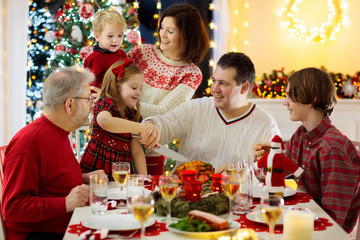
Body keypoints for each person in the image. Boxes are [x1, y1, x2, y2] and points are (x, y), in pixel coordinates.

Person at [1, 67, 106, 240]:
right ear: (70, 104)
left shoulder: (60, 132)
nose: (92, 105)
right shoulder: (29, 142)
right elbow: (12, 207)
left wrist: (84, 177)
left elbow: (52, 181)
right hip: (39, 235)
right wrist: (65, 203)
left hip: (69, 226)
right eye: (88, 99)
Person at [255, 67, 360, 233]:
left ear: (311, 99)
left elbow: (333, 221)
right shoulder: (302, 134)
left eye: (290, 96)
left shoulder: (332, 148)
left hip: (322, 232)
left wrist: (291, 217)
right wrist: (263, 163)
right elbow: (280, 168)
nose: (285, 102)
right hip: (304, 216)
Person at [143, 52, 280, 172]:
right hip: (187, 196)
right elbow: (162, 125)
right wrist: (152, 126)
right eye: (214, 81)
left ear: (244, 88)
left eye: (223, 83)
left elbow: (274, 173)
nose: (214, 89)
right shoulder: (197, 108)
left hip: (234, 197)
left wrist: (247, 172)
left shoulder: (266, 125)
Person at [127, 3, 210, 174]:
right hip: (116, 147)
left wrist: (121, 105)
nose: (162, 35)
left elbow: (163, 111)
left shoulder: (191, 73)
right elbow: (113, 84)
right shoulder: (141, 53)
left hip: (149, 154)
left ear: (186, 36)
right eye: (162, 27)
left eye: (170, 31)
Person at [80, 59, 159, 180]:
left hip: (122, 171)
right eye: (134, 88)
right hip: (96, 168)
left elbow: (137, 151)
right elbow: (106, 122)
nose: (138, 93)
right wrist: (142, 127)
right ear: (117, 86)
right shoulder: (105, 103)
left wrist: (143, 177)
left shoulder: (133, 115)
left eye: (140, 89)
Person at [84, 9, 127, 90]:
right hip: (104, 99)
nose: (115, 40)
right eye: (110, 36)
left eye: (120, 36)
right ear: (97, 36)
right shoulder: (95, 58)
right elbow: (91, 86)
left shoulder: (122, 54)